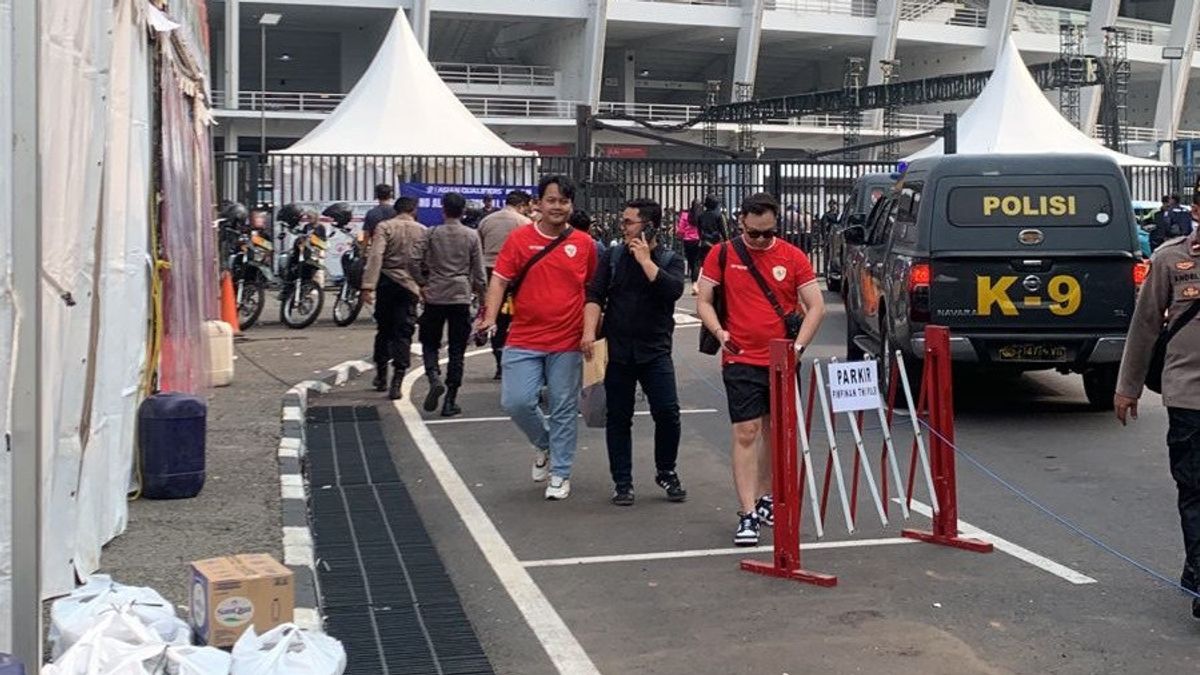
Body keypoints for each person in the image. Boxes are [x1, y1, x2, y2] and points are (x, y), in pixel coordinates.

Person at [696, 192, 827, 547]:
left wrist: (798, 347)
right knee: (746, 431)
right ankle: (747, 511)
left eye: (768, 233)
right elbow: (703, 300)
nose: (761, 240)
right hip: (740, 358)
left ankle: (767, 496)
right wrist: (720, 332)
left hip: (783, 359)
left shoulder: (793, 255)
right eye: (754, 233)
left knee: (773, 431)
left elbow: (816, 306)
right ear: (741, 223)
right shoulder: (721, 254)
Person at [475, 175, 598, 500]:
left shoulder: (584, 244)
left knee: (562, 406)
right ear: (538, 204)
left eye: (564, 201)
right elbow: (499, 281)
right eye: (551, 200)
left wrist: (589, 332)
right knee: (515, 401)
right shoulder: (519, 239)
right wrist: (489, 317)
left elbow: (592, 293)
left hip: (568, 341)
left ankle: (560, 472)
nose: (557, 207)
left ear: (571, 206)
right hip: (524, 336)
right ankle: (545, 443)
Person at [1115, 194, 1200, 619]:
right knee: (1195, 489)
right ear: (1197, 211)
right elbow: (1145, 324)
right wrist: (1127, 387)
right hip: (1188, 399)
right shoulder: (1171, 260)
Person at [583, 198, 687, 506]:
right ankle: (623, 481)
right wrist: (588, 331)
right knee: (618, 417)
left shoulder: (670, 259)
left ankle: (666, 470)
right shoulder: (613, 256)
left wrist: (646, 261)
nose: (623, 227)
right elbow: (595, 294)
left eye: (629, 222)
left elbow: (673, 291)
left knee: (667, 412)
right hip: (618, 351)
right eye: (623, 221)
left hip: (655, 351)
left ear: (650, 225)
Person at [419, 192, 487, 417]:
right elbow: (479, 271)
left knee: (429, 341)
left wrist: (422, 282)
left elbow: (413, 259)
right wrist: (483, 299)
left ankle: (433, 375)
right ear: (464, 211)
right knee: (457, 349)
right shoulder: (471, 235)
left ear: (443, 210)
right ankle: (450, 399)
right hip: (460, 295)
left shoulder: (432, 233)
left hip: (435, 293)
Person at [362, 197, 427, 400]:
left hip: (386, 282)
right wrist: (424, 285)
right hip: (410, 286)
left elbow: (375, 255)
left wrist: (367, 286)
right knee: (403, 332)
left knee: (384, 330)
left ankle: (381, 375)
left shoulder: (385, 227)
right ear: (414, 210)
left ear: (395, 210)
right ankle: (397, 380)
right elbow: (426, 260)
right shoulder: (422, 230)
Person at [478, 190, 533, 379]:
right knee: (519, 321)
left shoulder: (486, 221)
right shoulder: (524, 223)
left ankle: (498, 358)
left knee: (496, 321)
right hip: (517, 280)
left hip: (491, 276)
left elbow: (479, 249)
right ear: (522, 206)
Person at [676, 199, 702, 294]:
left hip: (688, 241)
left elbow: (681, 229)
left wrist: (680, 235)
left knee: (691, 261)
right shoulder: (701, 216)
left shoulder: (685, 215)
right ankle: (696, 282)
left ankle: (693, 281)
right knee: (697, 262)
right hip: (698, 240)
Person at [697, 195, 727, 267]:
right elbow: (723, 230)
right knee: (716, 262)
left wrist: (701, 238)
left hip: (705, 241)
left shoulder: (701, 215)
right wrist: (726, 240)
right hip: (716, 241)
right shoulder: (718, 215)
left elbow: (699, 229)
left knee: (704, 262)